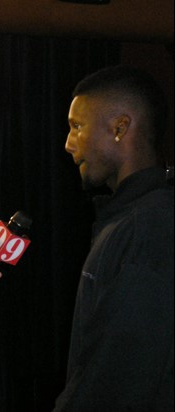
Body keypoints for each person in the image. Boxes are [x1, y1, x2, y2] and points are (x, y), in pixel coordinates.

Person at [54, 65, 174, 410]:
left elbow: (116, 380)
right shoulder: (128, 219)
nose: (68, 143)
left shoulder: (150, 228)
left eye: (77, 127)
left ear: (120, 128)